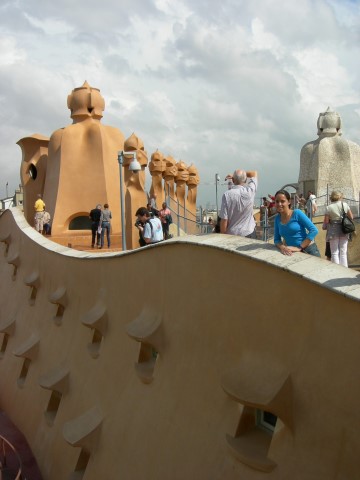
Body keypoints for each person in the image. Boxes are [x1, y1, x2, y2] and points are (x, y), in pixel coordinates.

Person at [274, 189, 320, 257]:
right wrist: (283, 247)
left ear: (289, 202)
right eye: (277, 201)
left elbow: (314, 230)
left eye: (282, 201)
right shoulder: (277, 219)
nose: (279, 204)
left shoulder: (297, 213)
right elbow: (277, 239)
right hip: (293, 253)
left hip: (309, 250)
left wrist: (299, 247)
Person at [220, 169, 258, 238]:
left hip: (232, 235)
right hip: (249, 233)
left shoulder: (226, 195)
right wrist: (241, 176)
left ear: (233, 180)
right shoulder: (250, 191)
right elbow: (254, 173)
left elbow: (224, 220)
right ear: (246, 180)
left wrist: (223, 237)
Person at [322, 191, 353, 267]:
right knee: (343, 252)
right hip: (344, 230)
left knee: (334, 252)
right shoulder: (345, 205)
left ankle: (337, 270)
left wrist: (325, 226)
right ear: (340, 197)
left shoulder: (329, 207)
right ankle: (345, 269)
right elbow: (351, 217)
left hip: (333, 231)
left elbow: (326, 221)